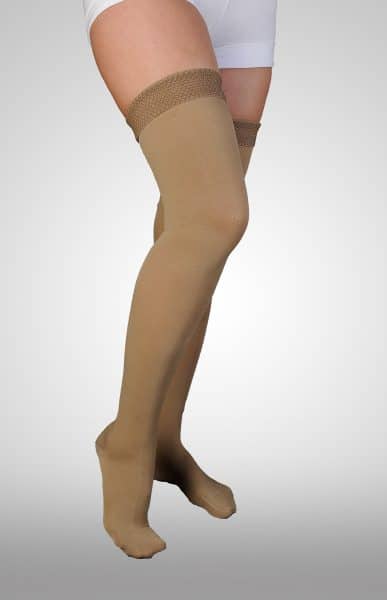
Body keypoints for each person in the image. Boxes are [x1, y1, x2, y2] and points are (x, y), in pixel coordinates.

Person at [82, 0, 278, 559]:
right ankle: (126, 445)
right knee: (216, 214)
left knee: (193, 227)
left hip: (250, 11)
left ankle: (164, 440)